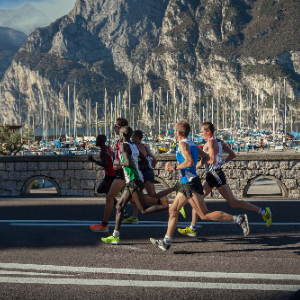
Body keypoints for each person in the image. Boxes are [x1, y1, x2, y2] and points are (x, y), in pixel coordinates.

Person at [150, 121, 250, 252]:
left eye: (174, 131)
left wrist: (174, 167)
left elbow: (189, 161)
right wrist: (194, 167)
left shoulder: (183, 144)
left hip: (190, 183)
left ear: (179, 133)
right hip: (187, 182)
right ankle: (166, 241)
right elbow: (206, 156)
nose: (173, 133)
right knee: (173, 210)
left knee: (204, 215)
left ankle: (238, 219)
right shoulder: (192, 143)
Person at [178, 121, 272, 238]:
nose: (200, 133)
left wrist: (196, 167)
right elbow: (232, 154)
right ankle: (193, 227)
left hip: (214, 175)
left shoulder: (211, 142)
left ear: (209, 132)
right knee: (199, 198)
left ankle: (262, 212)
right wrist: (221, 162)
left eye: (202, 131)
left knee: (233, 202)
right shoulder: (219, 141)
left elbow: (211, 159)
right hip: (214, 174)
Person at [101, 126, 170, 244]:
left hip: (133, 180)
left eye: (119, 134)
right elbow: (145, 161)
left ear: (122, 134)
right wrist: (133, 163)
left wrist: (118, 163)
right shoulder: (134, 146)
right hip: (134, 179)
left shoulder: (123, 146)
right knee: (119, 206)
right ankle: (115, 236)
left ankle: (173, 206)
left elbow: (127, 162)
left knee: (144, 210)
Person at [123, 130, 182, 224]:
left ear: (137, 138)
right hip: (148, 171)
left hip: (142, 173)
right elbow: (154, 159)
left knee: (137, 198)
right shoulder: (145, 146)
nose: (131, 138)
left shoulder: (137, 146)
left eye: (133, 136)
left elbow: (136, 160)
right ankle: (134, 216)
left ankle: (164, 200)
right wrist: (151, 167)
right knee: (139, 195)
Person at [89, 117, 129, 233]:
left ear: (120, 128)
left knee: (137, 202)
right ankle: (106, 226)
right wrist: (114, 156)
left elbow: (128, 159)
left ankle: (168, 204)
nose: (114, 128)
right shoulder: (118, 142)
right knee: (112, 197)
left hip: (124, 173)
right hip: (120, 173)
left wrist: (119, 163)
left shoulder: (124, 142)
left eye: (115, 126)